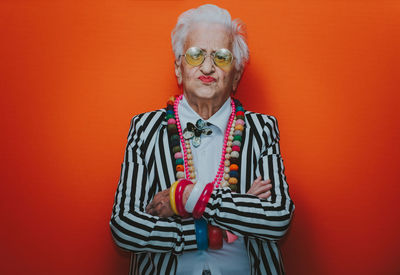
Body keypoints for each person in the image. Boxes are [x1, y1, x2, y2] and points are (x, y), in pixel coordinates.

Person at [110, 4, 294, 275]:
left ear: (236, 76)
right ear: (178, 67)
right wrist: (210, 231)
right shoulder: (145, 128)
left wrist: (184, 197)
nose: (207, 67)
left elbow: (277, 218)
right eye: (196, 55)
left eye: (221, 57)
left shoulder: (262, 129)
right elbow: (124, 227)